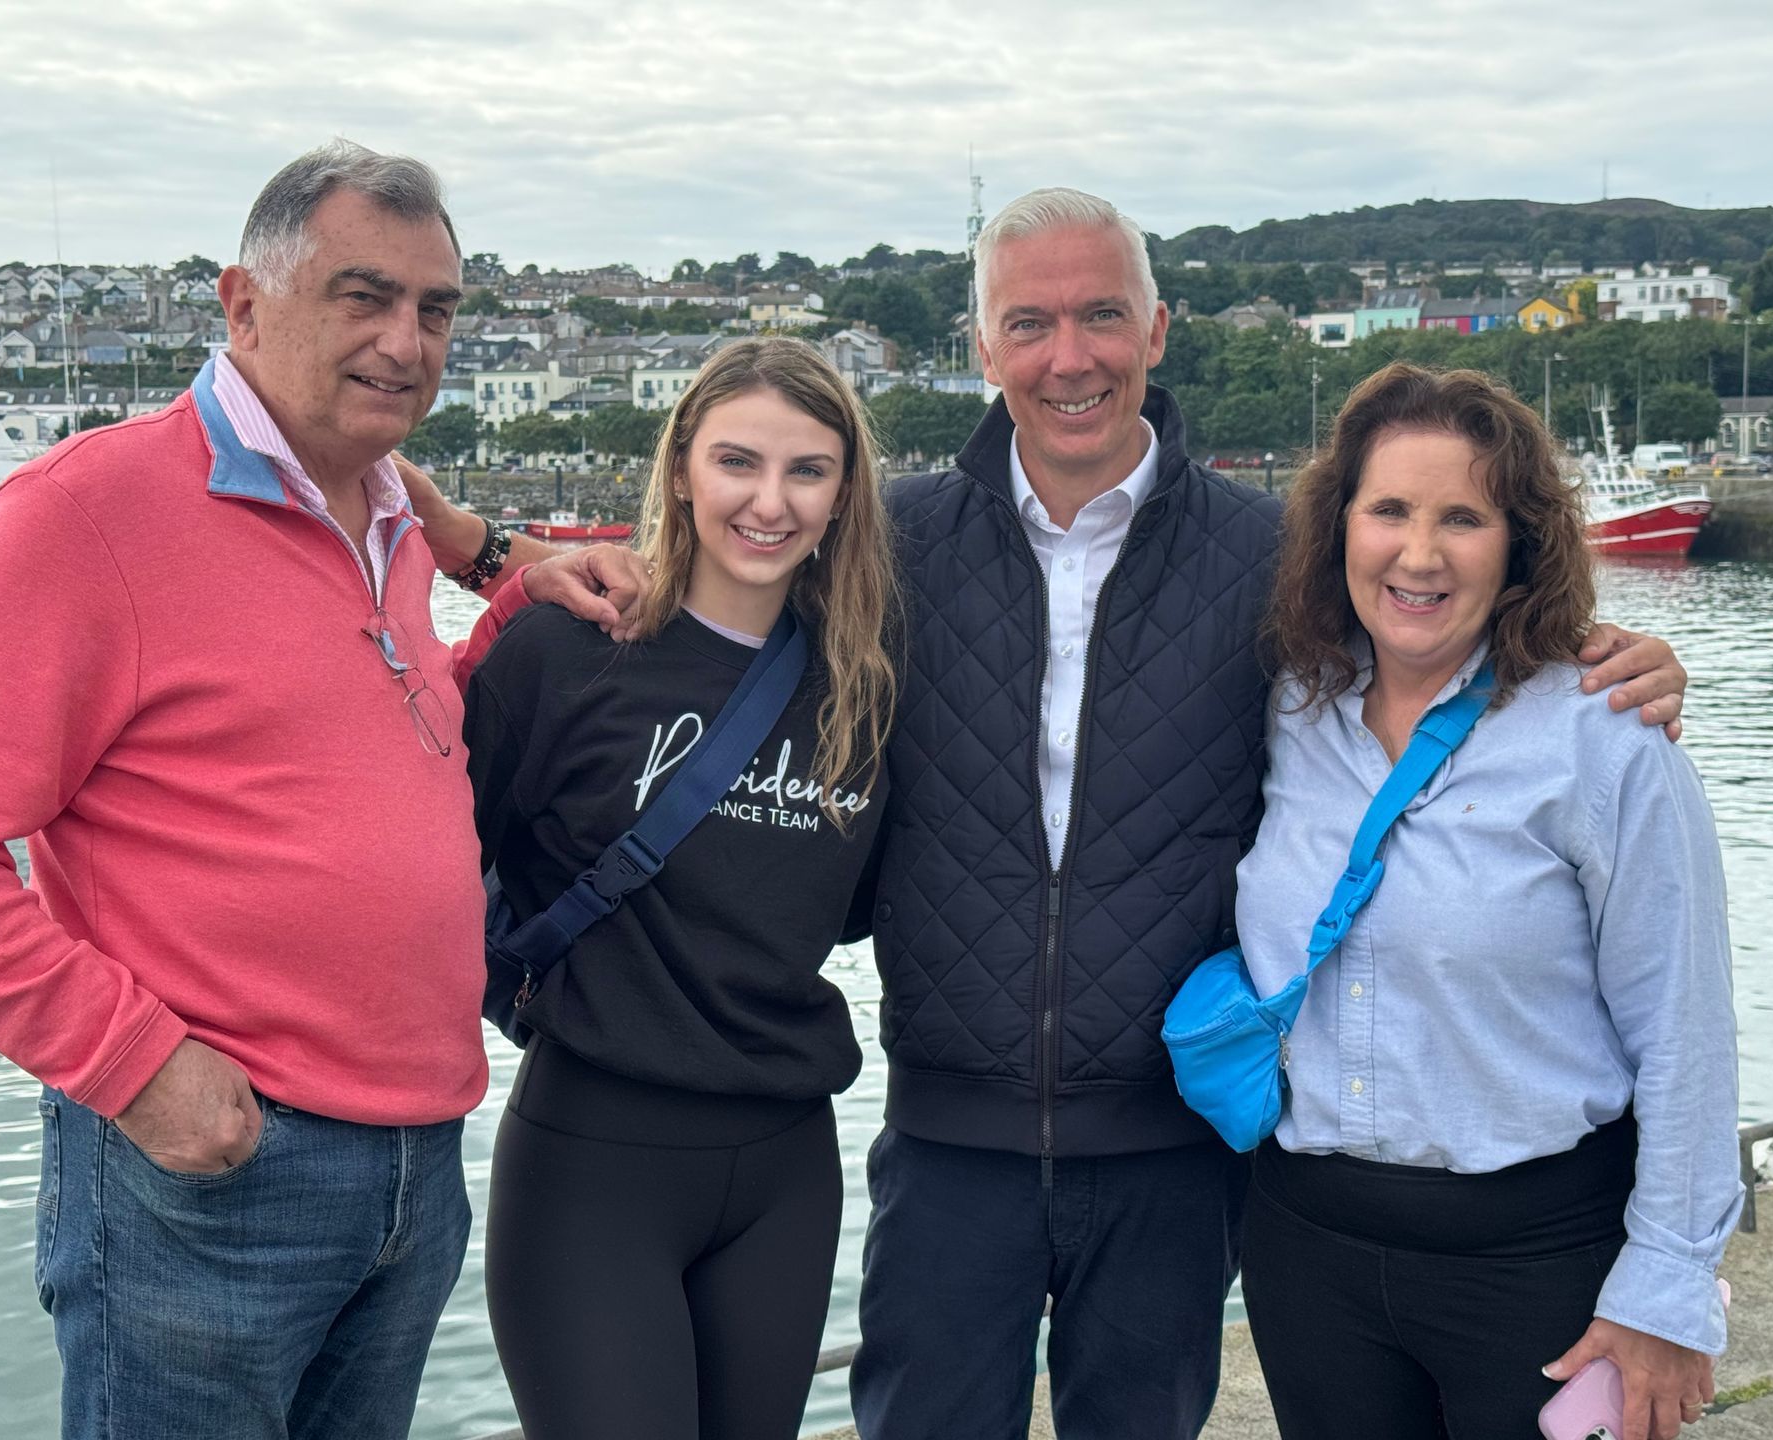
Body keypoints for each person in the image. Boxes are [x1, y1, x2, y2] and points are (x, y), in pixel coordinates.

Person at [399, 188, 1693, 1440]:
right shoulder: (887, 547)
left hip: (1171, 1151)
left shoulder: (1271, 556)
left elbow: (1425, 622)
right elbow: (717, 594)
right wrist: (511, 559)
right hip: (946, 1140)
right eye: (1029, 323)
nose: (1069, 357)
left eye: (1101, 316)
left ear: (1157, 329)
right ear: (983, 346)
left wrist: (1584, 654)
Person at [0, 140, 627, 1440]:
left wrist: (511, 589)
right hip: (207, 1173)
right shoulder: (90, 514)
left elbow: (380, 748)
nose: (406, 342)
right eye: (363, 296)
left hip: (416, 1161)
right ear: (243, 306)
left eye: (435, 309)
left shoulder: (385, 509)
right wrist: (132, 1065)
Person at [1235, 362, 1739, 1440]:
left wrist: (1669, 1284)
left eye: (1463, 518)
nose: (1419, 554)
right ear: (1338, 529)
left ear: (1520, 545)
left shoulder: (1605, 738)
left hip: (1540, 1262)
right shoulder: (1288, 708)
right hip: (1306, 1252)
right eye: (1389, 510)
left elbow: (1686, 1032)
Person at [460, 338, 898, 1440]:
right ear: (682, 471)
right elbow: (433, 865)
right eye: (737, 462)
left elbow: (849, 905)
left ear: (844, 494)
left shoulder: (867, 688)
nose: (770, 501)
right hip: (593, 1159)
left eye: (807, 470)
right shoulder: (566, 653)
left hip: (787, 1169)